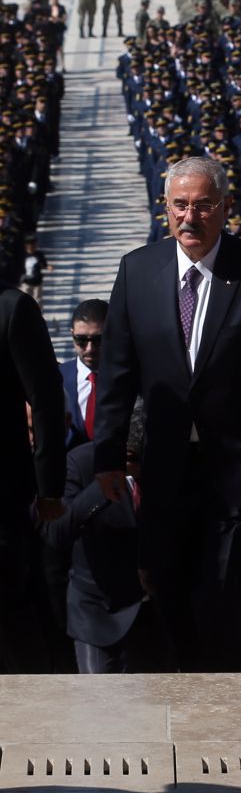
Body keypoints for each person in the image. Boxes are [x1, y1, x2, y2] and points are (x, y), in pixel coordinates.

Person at [93, 155, 241, 672]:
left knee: (228, 602)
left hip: (238, 472)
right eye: (180, 205)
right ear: (164, 208)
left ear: (226, 208)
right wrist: (107, 454)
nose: (190, 217)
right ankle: (189, 707)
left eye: (203, 206)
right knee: (169, 594)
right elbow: (118, 374)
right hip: (165, 469)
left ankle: (229, 718)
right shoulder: (137, 271)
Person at [42, 402, 164, 673]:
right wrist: (104, 484)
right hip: (98, 610)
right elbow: (56, 533)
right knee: (100, 707)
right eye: (134, 459)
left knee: (159, 711)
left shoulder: (167, 464)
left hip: (157, 613)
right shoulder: (80, 463)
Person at [1, 285, 66, 671]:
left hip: (4, 495)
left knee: (12, 612)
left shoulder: (12, 308)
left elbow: (45, 399)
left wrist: (50, 488)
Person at [61, 298, 107, 450]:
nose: (89, 348)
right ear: (72, 334)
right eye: (81, 340)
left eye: (97, 340)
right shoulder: (58, 378)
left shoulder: (131, 377)